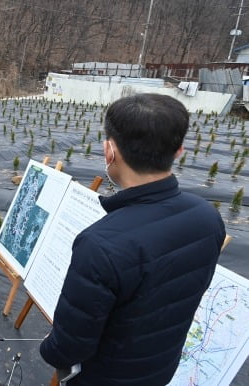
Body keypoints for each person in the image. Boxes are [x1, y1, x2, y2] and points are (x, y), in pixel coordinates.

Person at [39, 94, 226, 386]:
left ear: (109, 151)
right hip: (160, 369)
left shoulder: (100, 244)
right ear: (179, 150)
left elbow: (69, 347)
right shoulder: (207, 217)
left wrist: (47, 347)